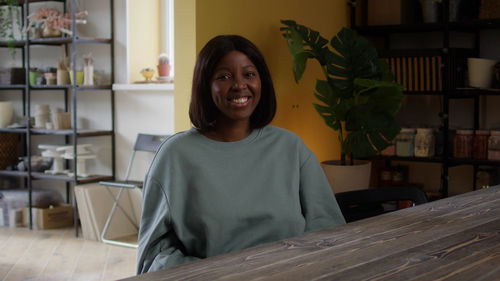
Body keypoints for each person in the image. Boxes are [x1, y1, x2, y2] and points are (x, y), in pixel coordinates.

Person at [136, 35, 346, 274]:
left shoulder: (290, 147)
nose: (239, 85)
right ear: (205, 85)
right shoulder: (175, 156)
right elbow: (152, 258)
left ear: (261, 82)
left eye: (249, 75)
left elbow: (330, 228)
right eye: (224, 76)